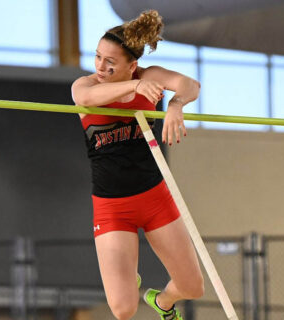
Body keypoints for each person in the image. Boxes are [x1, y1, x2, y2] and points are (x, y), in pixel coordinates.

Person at [71, 9, 203, 320]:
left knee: (193, 288)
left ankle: (163, 301)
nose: (100, 66)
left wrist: (175, 104)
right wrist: (133, 87)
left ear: (133, 65)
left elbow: (190, 85)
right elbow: (90, 97)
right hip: (111, 207)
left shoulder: (149, 76)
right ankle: (131, 282)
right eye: (98, 57)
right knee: (123, 309)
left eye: (111, 62)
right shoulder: (84, 86)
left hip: (156, 198)